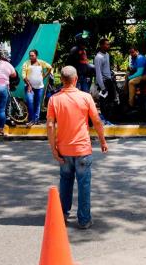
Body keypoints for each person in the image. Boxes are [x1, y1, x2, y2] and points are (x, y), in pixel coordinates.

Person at [47, 66, 109, 229]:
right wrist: (102, 141)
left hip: (63, 150)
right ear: (75, 80)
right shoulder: (86, 97)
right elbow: (96, 121)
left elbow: (50, 126)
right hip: (82, 149)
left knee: (65, 183)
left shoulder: (54, 99)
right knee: (84, 185)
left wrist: (53, 148)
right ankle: (84, 220)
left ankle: (62, 216)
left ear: (62, 80)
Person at [23, 49, 53, 126]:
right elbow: (24, 76)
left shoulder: (41, 62)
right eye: (30, 55)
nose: (31, 57)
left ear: (36, 55)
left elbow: (50, 67)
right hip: (29, 87)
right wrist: (29, 85)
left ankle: (36, 120)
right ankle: (31, 119)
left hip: (39, 87)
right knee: (30, 102)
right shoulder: (26, 63)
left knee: (37, 103)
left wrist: (44, 76)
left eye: (32, 55)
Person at [93, 39, 115, 126]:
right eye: (106, 44)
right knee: (103, 102)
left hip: (109, 81)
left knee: (111, 101)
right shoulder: (98, 57)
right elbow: (98, 73)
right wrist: (102, 87)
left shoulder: (107, 55)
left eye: (108, 44)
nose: (108, 46)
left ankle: (108, 119)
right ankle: (104, 120)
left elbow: (107, 69)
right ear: (101, 45)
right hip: (103, 82)